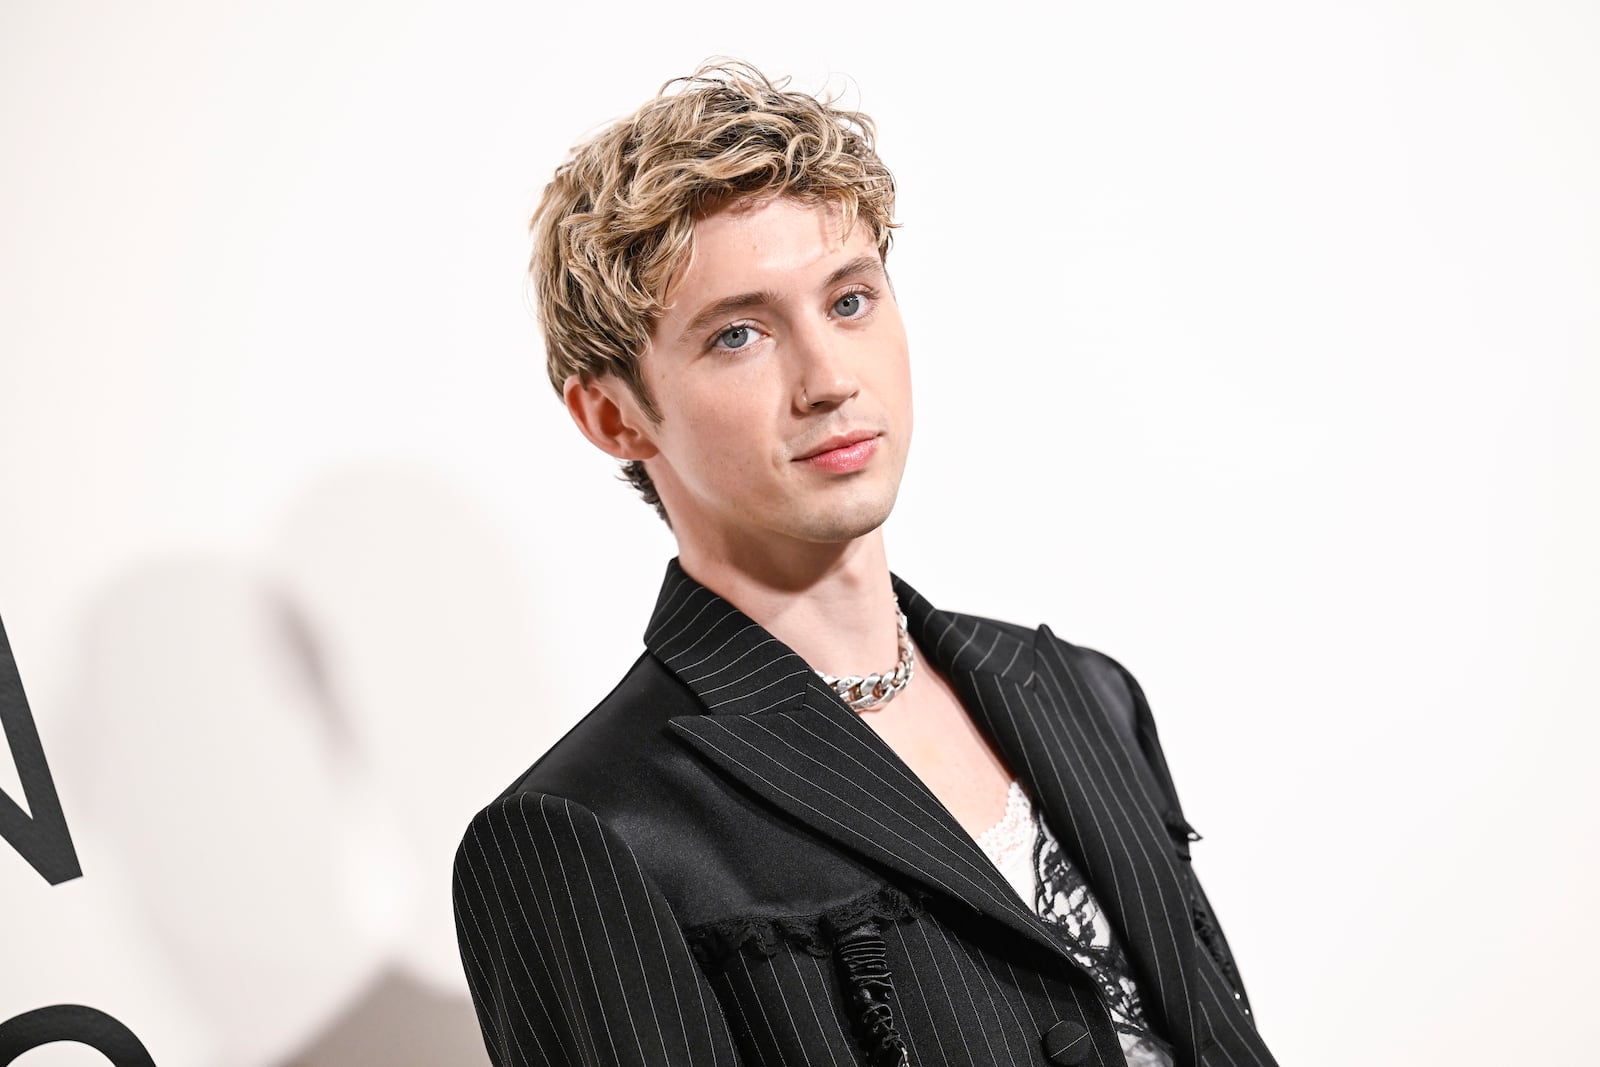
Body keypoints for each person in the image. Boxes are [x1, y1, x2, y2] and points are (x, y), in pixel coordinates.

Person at [452, 60, 1279, 1067]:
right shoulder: (590, 832)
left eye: (848, 302)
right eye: (740, 334)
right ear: (612, 413)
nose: (830, 379)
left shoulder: (1084, 692)